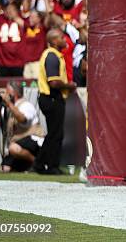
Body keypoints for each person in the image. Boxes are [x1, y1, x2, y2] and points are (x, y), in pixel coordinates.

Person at [33, 28, 77, 174]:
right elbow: (54, 82)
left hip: (51, 98)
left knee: (54, 133)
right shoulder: (51, 56)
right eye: (61, 38)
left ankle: (40, 164)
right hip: (51, 97)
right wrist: (69, 85)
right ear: (53, 41)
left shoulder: (55, 55)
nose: (65, 40)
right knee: (56, 134)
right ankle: (51, 166)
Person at [0, 81, 44, 172]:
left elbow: (22, 119)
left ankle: (38, 163)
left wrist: (9, 103)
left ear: (14, 93)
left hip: (33, 140)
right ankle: (27, 166)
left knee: (13, 148)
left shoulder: (26, 105)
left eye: (7, 92)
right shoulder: (8, 108)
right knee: (5, 169)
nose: (6, 94)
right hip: (18, 143)